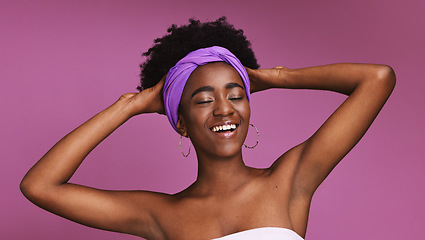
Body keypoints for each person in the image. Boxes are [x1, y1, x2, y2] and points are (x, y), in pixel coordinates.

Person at [20, 17, 396, 240]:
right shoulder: (158, 214)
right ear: (180, 123)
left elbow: (378, 78)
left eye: (236, 95)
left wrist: (276, 76)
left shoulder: (291, 179)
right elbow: (40, 186)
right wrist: (129, 105)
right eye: (202, 100)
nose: (223, 110)